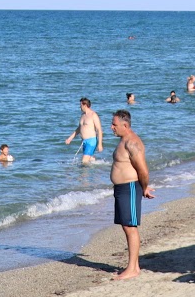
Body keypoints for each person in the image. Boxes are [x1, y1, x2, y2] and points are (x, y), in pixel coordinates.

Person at [108, 109, 153, 279]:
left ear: (125, 125)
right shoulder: (123, 140)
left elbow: (143, 170)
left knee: (130, 227)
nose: (112, 127)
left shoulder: (132, 142)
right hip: (122, 189)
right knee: (126, 226)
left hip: (130, 188)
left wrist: (145, 187)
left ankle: (133, 268)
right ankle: (133, 266)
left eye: (114, 124)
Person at [66, 97, 104, 163]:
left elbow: (99, 130)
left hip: (91, 141)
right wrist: (70, 138)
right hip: (84, 141)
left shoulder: (93, 115)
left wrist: (100, 144)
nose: (80, 107)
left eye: (80, 105)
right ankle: (97, 169)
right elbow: (79, 128)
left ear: (85, 105)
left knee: (84, 161)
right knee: (89, 160)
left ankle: (83, 173)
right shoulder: (82, 115)